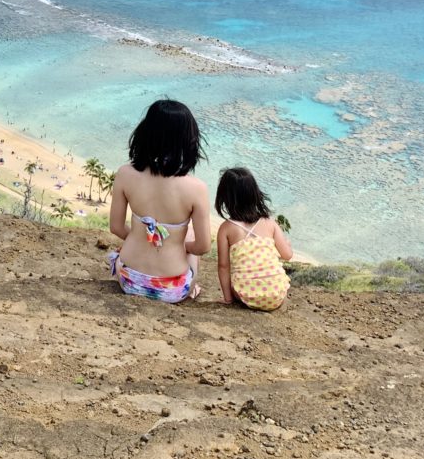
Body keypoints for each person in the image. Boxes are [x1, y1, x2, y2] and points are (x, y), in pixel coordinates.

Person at [107, 99, 211, 302]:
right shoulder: (196, 188)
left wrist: (145, 239)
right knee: (188, 233)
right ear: (188, 140)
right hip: (173, 290)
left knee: (139, 236)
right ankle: (192, 288)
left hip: (129, 280)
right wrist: (177, 245)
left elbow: (116, 228)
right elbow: (203, 246)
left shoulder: (125, 174)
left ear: (145, 133)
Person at [214, 166, 292, 310]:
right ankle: (274, 295)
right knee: (278, 279)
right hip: (276, 295)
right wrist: (287, 244)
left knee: (236, 284)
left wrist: (228, 298)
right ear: (255, 194)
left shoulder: (226, 228)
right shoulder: (269, 222)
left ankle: (241, 296)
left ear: (224, 197)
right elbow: (287, 255)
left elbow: (223, 266)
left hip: (247, 295)